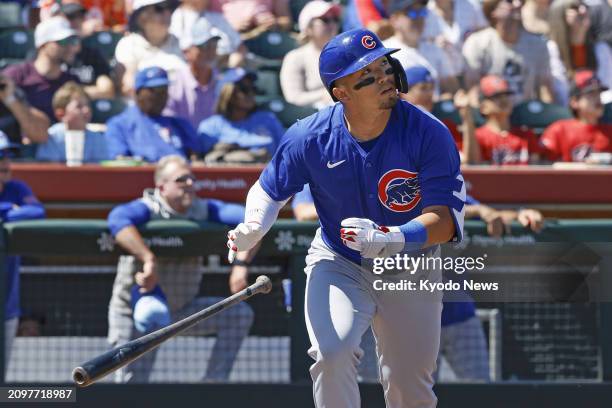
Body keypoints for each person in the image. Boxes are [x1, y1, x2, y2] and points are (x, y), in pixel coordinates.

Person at [226, 28, 465, 407]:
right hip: (340, 259)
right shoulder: (310, 135)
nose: (385, 77)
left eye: (385, 65)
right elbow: (269, 190)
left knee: (409, 386)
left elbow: (444, 222)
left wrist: (392, 236)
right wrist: (255, 224)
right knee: (331, 354)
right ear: (341, 92)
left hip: (410, 264)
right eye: (368, 74)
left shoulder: (429, 132)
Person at [107, 155, 254, 382]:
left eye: (192, 179)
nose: (190, 184)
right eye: (181, 180)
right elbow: (117, 219)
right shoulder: (147, 208)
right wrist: (148, 258)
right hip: (135, 313)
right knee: (130, 387)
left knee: (238, 315)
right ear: (162, 187)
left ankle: (212, 384)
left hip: (181, 311)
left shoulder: (202, 209)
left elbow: (252, 220)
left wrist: (241, 265)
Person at [0, 130, 46, 369]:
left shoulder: (16, 188)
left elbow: (38, 212)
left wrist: (4, 210)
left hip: (7, 305)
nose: (5, 163)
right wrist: (12, 211)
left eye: (7, 156)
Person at [1, 16, 81, 140]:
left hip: (59, 150)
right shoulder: (15, 75)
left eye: (72, 41)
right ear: (42, 45)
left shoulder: (71, 81)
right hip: (21, 152)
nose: (70, 47)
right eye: (63, 42)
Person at [463, 0, 555, 105]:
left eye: (521, 1)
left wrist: (547, 117)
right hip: (492, 114)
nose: (518, 4)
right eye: (509, 1)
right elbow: (473, 89)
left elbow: (545, 88)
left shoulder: (538, 44)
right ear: (493, 11)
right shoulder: (477, 43)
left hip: (526, 115)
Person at [105, 66, 203, 162]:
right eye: (154, 91)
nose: (161, 96)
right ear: (137, 93)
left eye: (164, 90)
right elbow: (120, 162)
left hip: (182, 176)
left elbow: (196, 159)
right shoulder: (119, 125)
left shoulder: (180, 124)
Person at [197, 68, 285, 163]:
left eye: (253, 89)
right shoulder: (210, 126)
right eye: (244, 90)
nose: (251, 94)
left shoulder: (268, 120)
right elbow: (202, 162)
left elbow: (284, 154)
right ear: (227, 93)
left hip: (264, 175)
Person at [399, 65, 479, 164]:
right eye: (423, 88)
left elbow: (468, 160)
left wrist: (466, 116)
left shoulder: (443, 124)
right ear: (403, 93)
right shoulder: (394, 124)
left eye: (432, 88)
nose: (430, 93)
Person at [384, 0, 460, 96]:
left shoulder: (434, 49)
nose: (419, 18)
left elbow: (453, 89)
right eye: (413, 13)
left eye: (422, 12)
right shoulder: (385, 52)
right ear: (394, 20)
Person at [115, 0, 185, 95]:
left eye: (169, 8)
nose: (167, 13)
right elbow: (128, 86)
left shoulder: (182, 42)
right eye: (159, 8)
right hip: (147, 106)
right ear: (142, 18)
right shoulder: (128, 44)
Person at [540, 70, 612, 163]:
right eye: (591, 94)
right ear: (574, 102)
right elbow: (543, 166)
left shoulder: (609, 132)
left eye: (598, 94)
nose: (597, 98)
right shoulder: (559, 130)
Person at [279, 1, 340, 109]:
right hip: (316, 117)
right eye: (325, 20)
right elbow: (293, 98)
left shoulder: (345, 54)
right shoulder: (295, 57)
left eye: (335, 19)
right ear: (308, 28)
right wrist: (324, 95)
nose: (332, 25)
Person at [164, 17, 222, 130]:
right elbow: (168, 123)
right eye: (204, 46)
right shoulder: (174, 83)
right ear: (187, 52)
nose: (210, 51)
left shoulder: (224, 81)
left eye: (214, 45)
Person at [475, 75, 541, 165]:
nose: (504, 99)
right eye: (496, 96)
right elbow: (472, 166)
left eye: (506, 95)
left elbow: (537, 171)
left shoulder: (526, 135)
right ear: (483, 107)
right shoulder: (478, 137)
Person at [36, 81, 109, 163]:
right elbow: (49, 170)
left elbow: (101, 170)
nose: (86, 110)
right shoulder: (52, 137)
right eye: (79, 106)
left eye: (87, 105)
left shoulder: (97, 138)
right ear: (61, 114)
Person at [61, 1, 116, 99]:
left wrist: (71, 94)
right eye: (71, 17)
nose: (77, 21)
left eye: (80, 16)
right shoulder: (55, 52)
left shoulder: (92, 54)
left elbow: (107, 90)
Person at [170, 0, 246, 68]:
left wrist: (234, 61)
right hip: (198, 73)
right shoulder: (177, 19)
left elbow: (240, 47)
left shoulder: (216, 17)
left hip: (226, 68)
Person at [210, 0, 292, 35]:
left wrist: (274, 22)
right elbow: (208, 21)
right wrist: (232, 27)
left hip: (264, 39)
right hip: (230, 40)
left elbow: (286, 21)